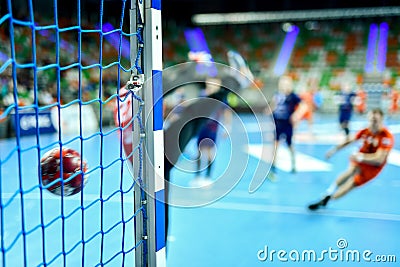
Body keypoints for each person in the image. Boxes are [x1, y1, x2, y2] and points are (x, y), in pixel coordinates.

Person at [308, 108, 394, 210]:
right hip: (361, 157)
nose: (372, 124)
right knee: (351, 170)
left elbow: (379, 158)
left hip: (373, 166)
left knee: (351, 184)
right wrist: (334, 149)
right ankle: (329, 192)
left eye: (375, 121)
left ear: (381, 120)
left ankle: (329, 199)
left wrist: (361, 157)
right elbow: (349, 141)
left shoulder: (386, 136)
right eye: (371, 120)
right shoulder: (365, 131)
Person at [270, 75, 305, 175]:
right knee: (275, 144)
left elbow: (303, 106)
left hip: (287, 124)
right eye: (282, 83)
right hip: (278, 123)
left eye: (286, 84)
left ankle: (293, 164)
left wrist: (296, 115)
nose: (284, 86)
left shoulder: (293, 96)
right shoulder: (277, 94)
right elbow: (273, 105)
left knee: (290, 145)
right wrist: (271, 111)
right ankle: (274, 165)